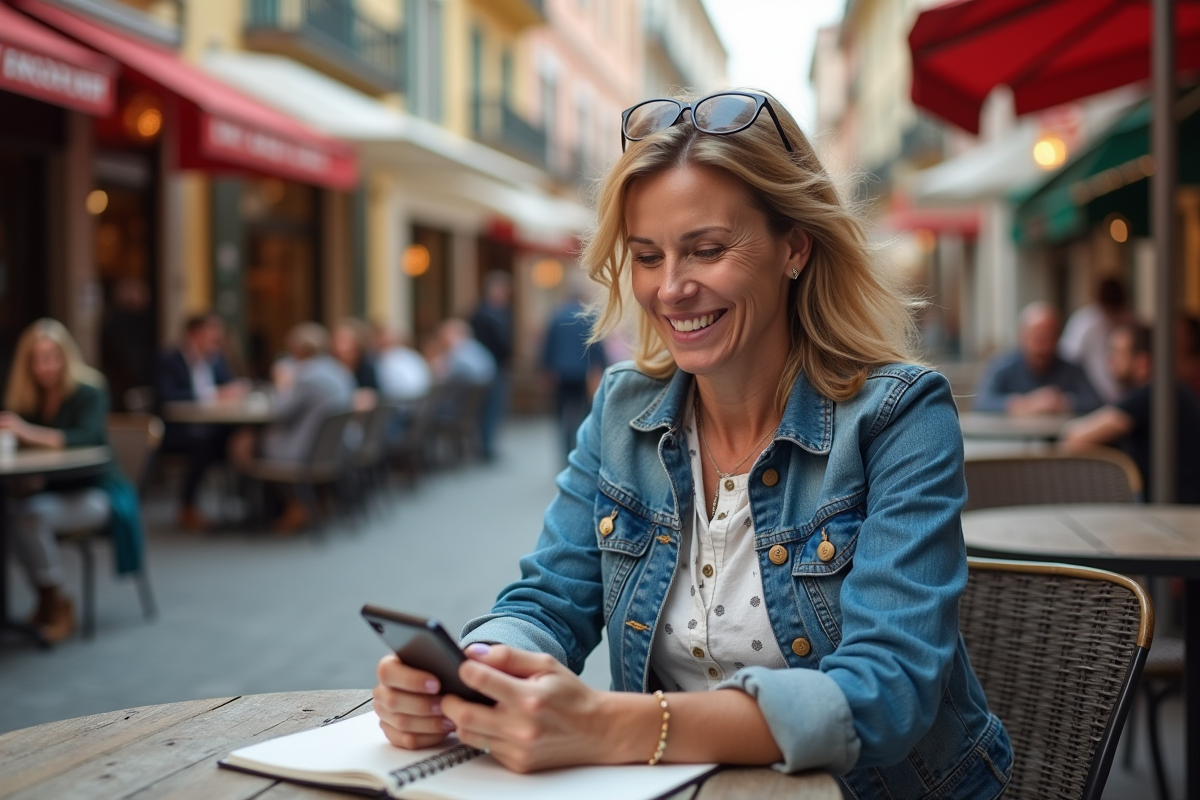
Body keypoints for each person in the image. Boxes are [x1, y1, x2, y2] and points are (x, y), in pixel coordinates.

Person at [373, 90, 1011, 798]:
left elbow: (885, 692)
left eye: (706, 250)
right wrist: (473, 671)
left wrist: (610, 725)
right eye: (647, 256)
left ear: (794, 247)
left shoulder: (898, 416)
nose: (671, 288)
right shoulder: (623, 405)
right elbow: (550, 599)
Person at [1, 319, 144, 642]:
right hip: (54, 491)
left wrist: (27, 432)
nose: (45, 366)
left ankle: (58, 601)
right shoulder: (29, 398)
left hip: (98, 493)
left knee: (31, 516)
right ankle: (44, 597)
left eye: (52, 356)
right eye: (36, 359)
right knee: (9, 516)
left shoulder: (89, 391)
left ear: (66, 356)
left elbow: (86, 438)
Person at [231, 323, 355, 531]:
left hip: (307, 450)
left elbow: (280, 412)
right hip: (333, 447)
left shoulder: (307, 376)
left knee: (243, 442)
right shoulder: (337, 370)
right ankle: (301, 504)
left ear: (299, 350)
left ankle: (285, 505)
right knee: (256, 440)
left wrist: (282, 383)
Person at [1062, 322, 1200, 504]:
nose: (1110, 360)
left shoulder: (1151, 395)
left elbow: (1075, 439)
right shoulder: (1170, 389)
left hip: (1175, 511)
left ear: (1142, 363)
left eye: (1117, 353)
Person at [155, 313, 243, 530]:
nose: (218, 337)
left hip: (210, 426)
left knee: (241, 438)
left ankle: (253, 505)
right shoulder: (169, 359)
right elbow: (166, 397)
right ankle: (187, 506)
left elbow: (228, 385)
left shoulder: (215, 358)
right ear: (194, 333)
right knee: (204, 443)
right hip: (175, 429)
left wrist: (233, 390)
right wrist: (212, 395)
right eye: (212, 332)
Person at [974, 302, 1102, 415]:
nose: (1043, 346)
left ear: (1058, 338)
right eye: (1037, 337)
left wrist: (1062, 402)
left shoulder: (1072, 369)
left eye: (1049, 337)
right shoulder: (1002, 365)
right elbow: (982, 402)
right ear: (1022, 336)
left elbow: (1094, 402)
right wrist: (1024, 404)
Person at [541, 284, 608, 462]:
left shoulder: (556, 316)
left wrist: (546, 369)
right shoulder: (588, 317)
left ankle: (565, 451)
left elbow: (548, 345)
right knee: (584, 413)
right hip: (582, 373)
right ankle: (580, 450)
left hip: (560, 373)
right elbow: (596, 345)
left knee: (562, 413)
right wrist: (602, 367)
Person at [1059, 277, 1131, 404]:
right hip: (1091, 396)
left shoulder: (1128, 320)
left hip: (1124, 396)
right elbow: (1068, 356)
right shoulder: (1085, 321)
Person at [470, 271, 514, 460]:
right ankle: (485, 447)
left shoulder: (499, 312)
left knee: (494, 407)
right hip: (488, 367)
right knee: (489, 407)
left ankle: (488, 445)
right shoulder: (485, 313)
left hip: (497, 366)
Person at [374, 324, 432, 402]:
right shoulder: (410, 354)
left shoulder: (388, 359)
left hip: (403, 403)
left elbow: (388, 389)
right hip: (422, 400)